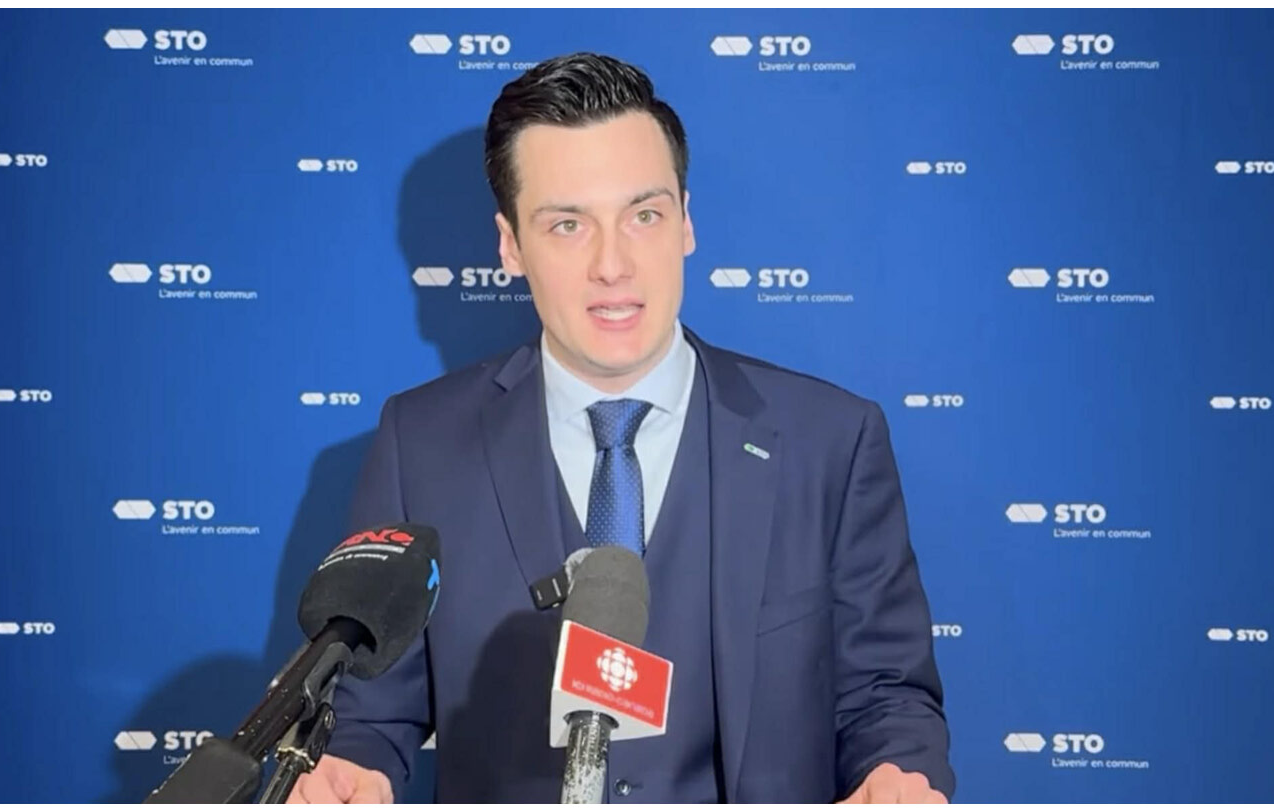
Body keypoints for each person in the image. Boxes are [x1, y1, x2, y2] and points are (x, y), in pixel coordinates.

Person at [289, 51, 952, 804]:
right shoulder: (420, 444)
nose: (614, 264)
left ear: (685, 222)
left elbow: (886, 696)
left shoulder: (830, 440)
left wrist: (896, 774)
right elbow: (371, 708)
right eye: (568, 225)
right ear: (511, 245)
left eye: (644, 215)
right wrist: (354, 767)